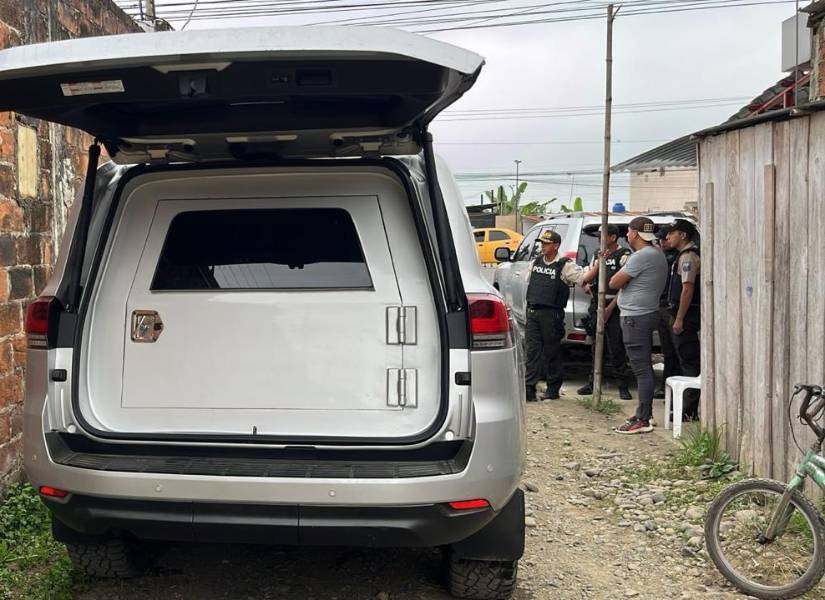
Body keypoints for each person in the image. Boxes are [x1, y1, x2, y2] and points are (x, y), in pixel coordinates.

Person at [608, 216, 668, 434]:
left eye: (629, 232)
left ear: (634, 233)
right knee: (643, 368)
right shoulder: (657, 254)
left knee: (641, 369)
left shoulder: (641, 256)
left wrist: (625, 280)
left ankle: (642, 418)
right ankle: (644, 413)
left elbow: (614, 282)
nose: (627, 235)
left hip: (635, 316)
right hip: (646, 313)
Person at [576, 224, 634, 400]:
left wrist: (610, 308)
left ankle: (622, 386)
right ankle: (593, 382)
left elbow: (626, 286)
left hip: (615, 307)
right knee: (596, 347)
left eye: (602, 236)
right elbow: (587, 279)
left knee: (617, 348)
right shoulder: (597, 254)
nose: (598, 239)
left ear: (613, 237)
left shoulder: (624, 256)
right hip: (597, 304)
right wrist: (589, 288)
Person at [524, 230, 582, 402]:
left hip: (552, 314)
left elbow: (581, 278)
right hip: (533, 312)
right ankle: (529, 388)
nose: (543, 246)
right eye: (542, 243)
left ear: (556, 246)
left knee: (551, 352)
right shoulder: (535, 262)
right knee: (532, 352)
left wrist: (594, 270)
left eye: (547, 243)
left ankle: (552, 389)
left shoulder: (565, 265)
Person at [665, 219, 701, 419]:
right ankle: (684, 407)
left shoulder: (688, 257)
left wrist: (679, 319)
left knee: (689, 362)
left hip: (688, 317)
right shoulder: (681, 256)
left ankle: (688, 411)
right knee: (682, 359)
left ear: (683, 235)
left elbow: (688, 288)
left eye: (672, 233)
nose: (668, 237)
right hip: (681, 314)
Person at [653, 226, 681, 399]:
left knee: (675, 350)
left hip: (672, 308)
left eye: (665, 239)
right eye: (660, 240)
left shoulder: (677, 257)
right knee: (668, 351)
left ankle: (673, 387)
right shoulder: (661, 257)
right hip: (661, 305)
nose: (663, 243)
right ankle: (667, 385)